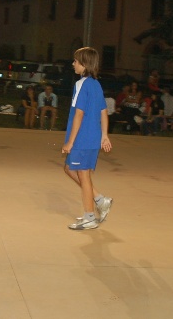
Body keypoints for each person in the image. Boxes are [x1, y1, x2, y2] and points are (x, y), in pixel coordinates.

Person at [62, 47, 113, 231]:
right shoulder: (96, 84)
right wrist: (104, 135)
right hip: (93, 136)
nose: (73, 64)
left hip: (82, 138)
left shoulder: (81, 84)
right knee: (69, 168)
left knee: (83, 175)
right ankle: (99, 199)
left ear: (84, 64)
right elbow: (103, 111)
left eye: (76, 61)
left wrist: (70, 141)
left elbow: (79, 114)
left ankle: (89, 217)